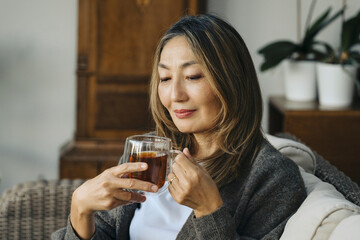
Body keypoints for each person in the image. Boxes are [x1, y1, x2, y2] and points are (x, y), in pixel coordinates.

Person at [53, 14, 306, 240]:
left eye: (193, 76)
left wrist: (209, 210)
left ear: (232, 80)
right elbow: (107, 231)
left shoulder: (273, 177)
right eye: (165, 78)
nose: (175, 95)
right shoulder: (150, 151)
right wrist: (80, 210)